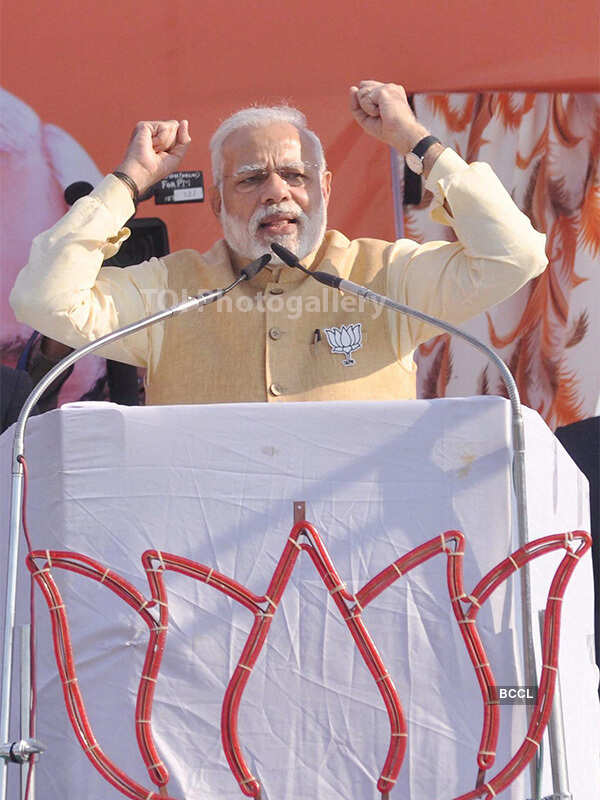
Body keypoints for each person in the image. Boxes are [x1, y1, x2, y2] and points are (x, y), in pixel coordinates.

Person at [10, 81, 547, 405]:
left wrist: (417, 142)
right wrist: (127, 181)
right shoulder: (169, 290)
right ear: (217, 204)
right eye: (250, 179)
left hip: (357, 575)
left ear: (324, 188)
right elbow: (44, 301)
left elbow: (514, 256)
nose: (277, 193)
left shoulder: (385, 276)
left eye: (295, 175)